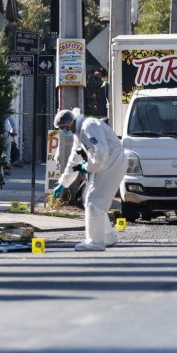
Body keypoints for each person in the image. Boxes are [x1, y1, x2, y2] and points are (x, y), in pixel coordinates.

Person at [53, 108, 126, 252]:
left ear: (69, 123)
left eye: (62, 128)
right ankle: (107, 236)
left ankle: (95, 242)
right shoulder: (78, 133)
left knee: (94, 201)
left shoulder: (89, 126)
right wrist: (63, 184)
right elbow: (73, 161)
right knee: (89, 198)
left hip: (112, 163)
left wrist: (86, 167)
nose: (63, 131)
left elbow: (102, 152)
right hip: (106, 164)